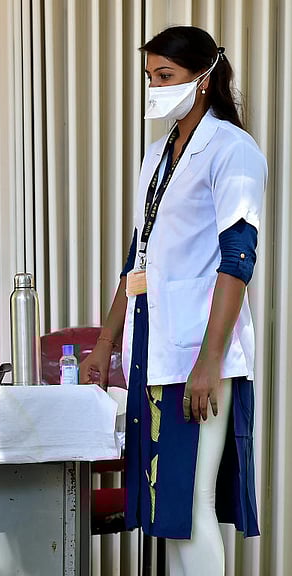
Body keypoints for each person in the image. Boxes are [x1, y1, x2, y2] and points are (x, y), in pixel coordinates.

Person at [79, 26, 262, 575]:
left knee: (191, 503)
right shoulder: (158, 154)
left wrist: (209, 362)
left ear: (202, 79)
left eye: (166, 76)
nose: (155, 88)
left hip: (197, 355)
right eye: (150, 77)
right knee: (166, 509)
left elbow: (238, 259)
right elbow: (138, 255)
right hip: (153, 352)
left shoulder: (232, 149)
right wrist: (105, 342)